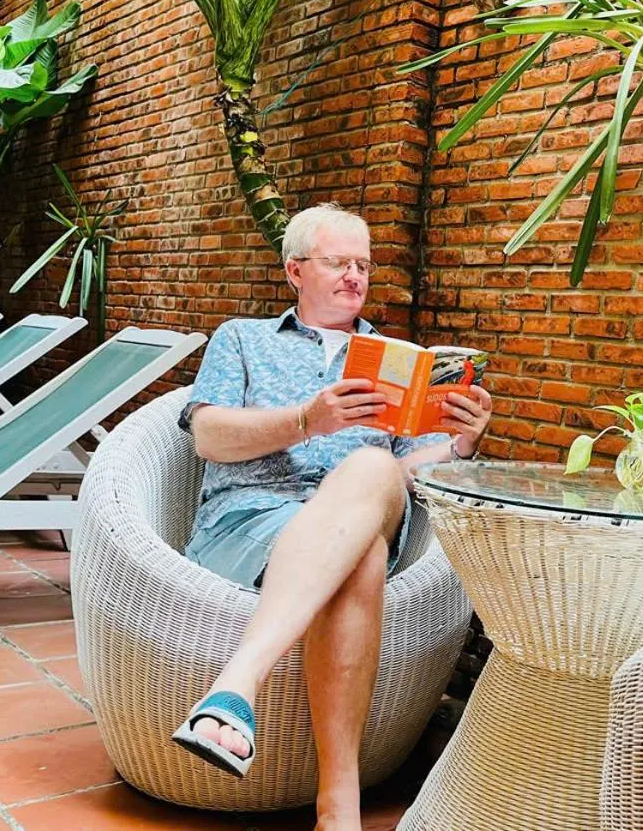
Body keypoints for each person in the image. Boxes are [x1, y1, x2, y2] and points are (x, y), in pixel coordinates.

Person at [170, 203, 491, 831]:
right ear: (295, 270)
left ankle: (236, 688)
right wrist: (306, 421)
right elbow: (207, 436)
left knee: (371, 469)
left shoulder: (394, 359)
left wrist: (461, 446)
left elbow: (404, 472)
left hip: (361, 505)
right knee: (363, 553)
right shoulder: (241, 339)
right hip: (247, 523)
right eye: (337, 262)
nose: (354, 276)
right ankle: (337, 812)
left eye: (364, 265)